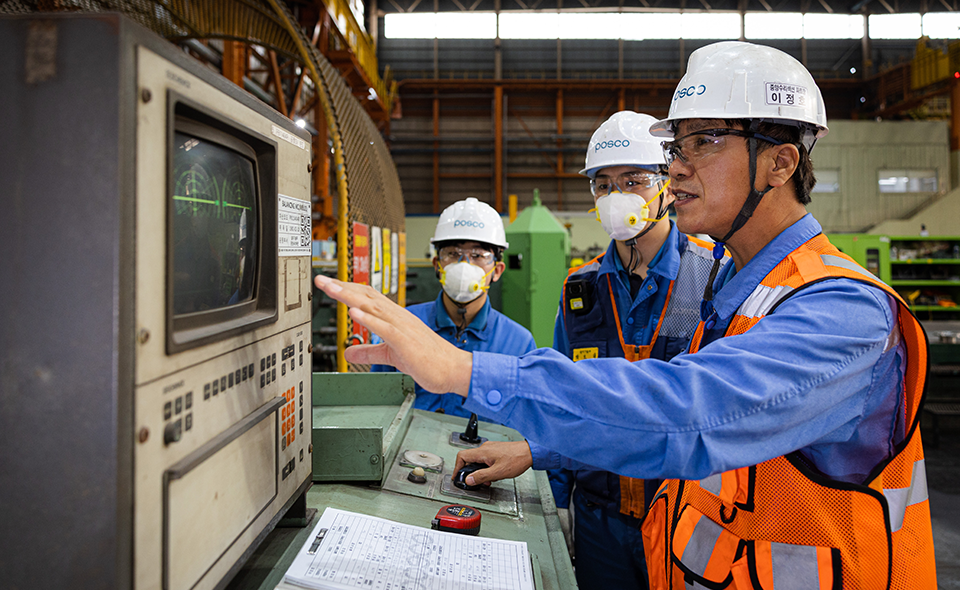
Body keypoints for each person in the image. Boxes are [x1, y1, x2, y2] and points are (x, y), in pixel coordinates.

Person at [316, 41, 936, 589]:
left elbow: (687, 412)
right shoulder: (736, 294)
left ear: (781, 163)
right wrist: (543, 447)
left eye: (705, 141)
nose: (678, 165)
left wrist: (464, 370)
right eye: (677, 145)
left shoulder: (845, 311)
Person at [540, 111, 723, 590]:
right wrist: (559, 502)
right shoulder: (579, 291)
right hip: (600, 520)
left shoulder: (711, 279)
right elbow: (564, 402)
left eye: (634, 180)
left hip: (690, 520)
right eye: (603, 184)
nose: (615, 197)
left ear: (668, 185)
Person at [370, 197, 535, 420]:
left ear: (497, 270)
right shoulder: (403, 325)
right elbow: (377, 407)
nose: (465, 265)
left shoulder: (518, 343)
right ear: (437, 265)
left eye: (479, 255)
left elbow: (526, 422)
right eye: (453, 254)